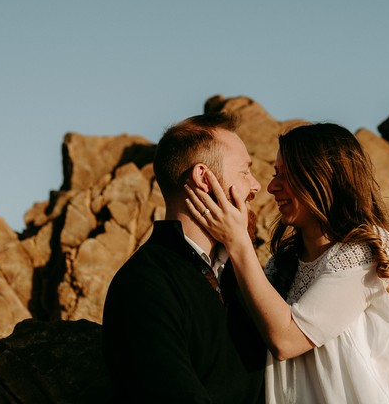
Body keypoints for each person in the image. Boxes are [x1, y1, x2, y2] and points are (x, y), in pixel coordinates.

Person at [186, 122, 389, 404]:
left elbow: (286, 340)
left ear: (323, 179)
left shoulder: (366, 251)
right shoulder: (282, 265)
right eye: (276, 174)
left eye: (287, 175)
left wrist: (238, 242)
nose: (272, 187)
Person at [102, 112, 266, 403]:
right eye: (244, 172)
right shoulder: (144, 285)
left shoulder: (243, 274)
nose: (256, 186)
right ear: (204, 178)